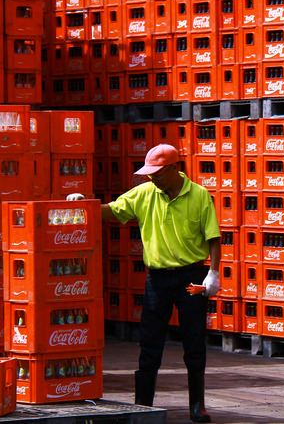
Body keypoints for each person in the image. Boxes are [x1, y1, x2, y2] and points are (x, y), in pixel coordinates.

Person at [71, 144, 220, 423]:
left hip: (192, 276)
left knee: (194, 340)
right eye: (150, 173)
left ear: (176, 168)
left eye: (158, 173)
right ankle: (143, 405)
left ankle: (197, 406)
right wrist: (85, 204)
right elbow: (112, 211)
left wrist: (213, 273)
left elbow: (213, 237)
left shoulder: (199, 195)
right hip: (158, 277)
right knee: (150, 341)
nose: (153, 178)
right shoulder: (144, 193)